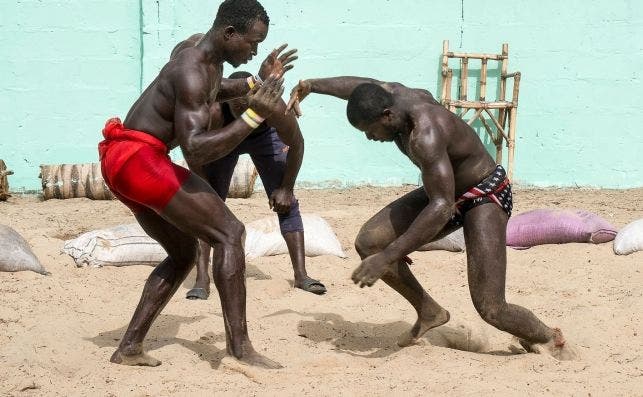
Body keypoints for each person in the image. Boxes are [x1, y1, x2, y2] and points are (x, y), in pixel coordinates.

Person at [285, 77, 577, 360]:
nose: (370, 138)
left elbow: (441, 208)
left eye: (370, 130)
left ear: (387, 115)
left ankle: (549, 337)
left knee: (491, 307)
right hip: (443, 190)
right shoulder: (392, 94)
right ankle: (429, 311)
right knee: (369, 242)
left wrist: (391, 254)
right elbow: (359, 87)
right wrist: (312, 85)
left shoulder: (425, 134)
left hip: (483, 194)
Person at [98, 0, 297, 369]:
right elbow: (195, 149)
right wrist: (255, 114)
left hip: (122, 161)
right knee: (230, 232)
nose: (254, 51)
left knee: (183, 254)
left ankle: (128, 348)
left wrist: (257, 82)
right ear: (229, 34)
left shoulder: (205, 64)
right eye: (252, 43)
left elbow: (216, 90)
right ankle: (239, 350)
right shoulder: (191, 69)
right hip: (139, 159)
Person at [182, 69, 326, 300]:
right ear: (226, 102)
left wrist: (286, 189)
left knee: (286, 203)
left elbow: (297, 145)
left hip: (265, 139)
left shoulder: (274, 107)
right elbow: (193, 154)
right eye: (240, 111)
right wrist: (204, 187)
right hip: (224, 137)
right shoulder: (214, 114)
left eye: (252, 111)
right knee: (206, 207)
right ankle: (201, 278)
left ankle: (301, 275)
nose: (246, 118)